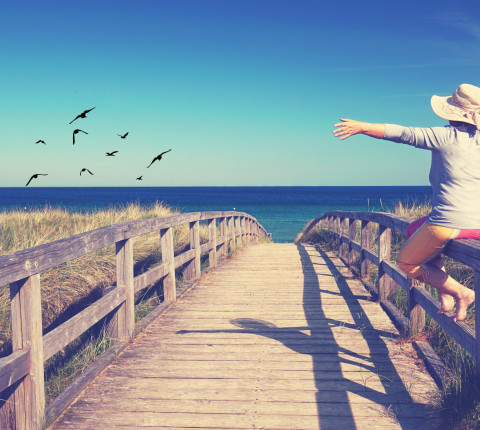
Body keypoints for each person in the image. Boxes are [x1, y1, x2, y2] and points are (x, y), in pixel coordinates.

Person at [333, 83, 480, 322]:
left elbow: (404, 133)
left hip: (449, 222)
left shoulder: (445, 136)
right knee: (413, 228)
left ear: (453, 115)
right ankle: (445, 291)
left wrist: (363, 127)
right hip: (476, 223)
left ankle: (460, 292)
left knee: (407, 262)